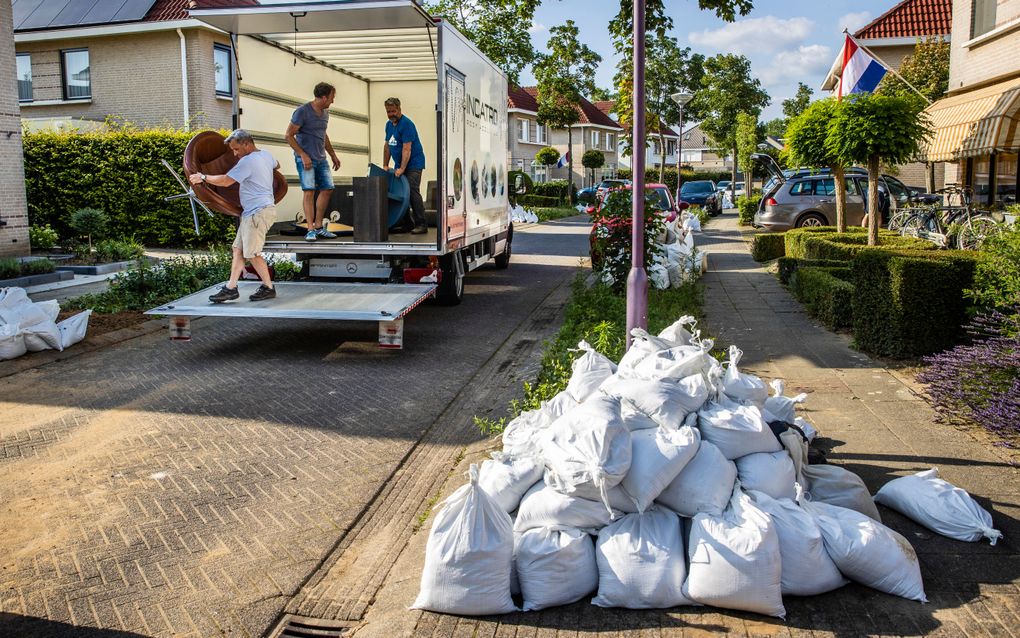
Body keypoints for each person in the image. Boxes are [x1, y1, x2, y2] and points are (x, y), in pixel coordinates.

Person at [190, 129, 278, 303]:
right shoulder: (266, 155)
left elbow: (225, 181)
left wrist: (203, 177)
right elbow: (277, 165)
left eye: (236, 149)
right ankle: (231, 288)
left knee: (252, 253)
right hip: (255, 211)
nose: (235, 154)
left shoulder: (248, 161)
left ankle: (268, 287)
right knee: (238, 250)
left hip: (257, 212)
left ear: (247, 144)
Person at [286, 82, 342, 242]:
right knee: (309, 191)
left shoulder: (325, 113)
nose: (332, 101)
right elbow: (288, 135)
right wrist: (303, 155)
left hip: (321, 158)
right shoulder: (302, 112)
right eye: (331, 98)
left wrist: (333, 155)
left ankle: (319, 226)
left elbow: (323, 135)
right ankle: (310, 229)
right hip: (306, 159)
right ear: (324, 97)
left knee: (328, 189)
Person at [382, 97, 427, 234]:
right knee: (400, 194)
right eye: (388, 112)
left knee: (412, 191)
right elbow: (387, 146)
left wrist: (402, 168)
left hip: (413, 163)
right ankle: (407, 223)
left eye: (393, 111)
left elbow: (407, 149)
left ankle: (421, 224)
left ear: (399, 109)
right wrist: (385, 164)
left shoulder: (407, 124)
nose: (391, 114)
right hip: (399, 164)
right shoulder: (389, 125)